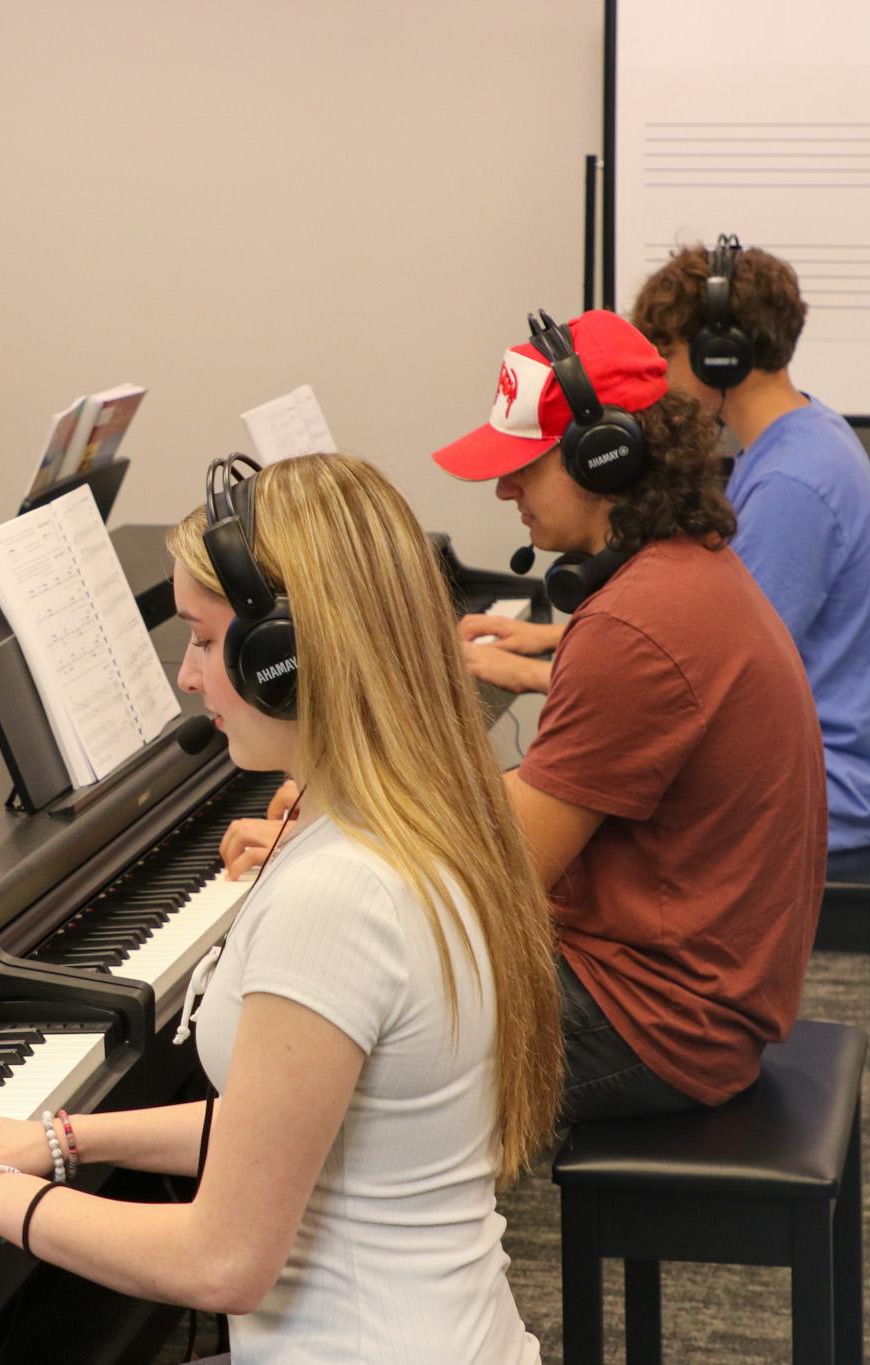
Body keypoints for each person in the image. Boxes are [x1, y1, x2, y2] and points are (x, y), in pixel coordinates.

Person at [0, 454, 561, 1363]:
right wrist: (56, 1138)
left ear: (288, 658)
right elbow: (287, 1124)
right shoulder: (429, 815)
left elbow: (223, 1261)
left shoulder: (341, 893)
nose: (185, 676)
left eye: (208, 641)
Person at [243, 310, 823, 1123]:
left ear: (605, 457)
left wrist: (324, 846)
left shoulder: (635, 623)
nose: (504, 487)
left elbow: (495, 880)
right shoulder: (679, 574)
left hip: (658, 1023)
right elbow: (534, 802)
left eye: (526, 465)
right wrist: (353, 818)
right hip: (696, 988)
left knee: (323, 1033)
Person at [631, 237, 870, 850]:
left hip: (833, 787)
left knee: (606, 814)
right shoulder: (805, 433)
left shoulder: (793, 481)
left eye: (668, 352)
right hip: (825, 765)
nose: (660, 372)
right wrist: (551, 643)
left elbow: (716, 672)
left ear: (721, 358)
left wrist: (534, 673)